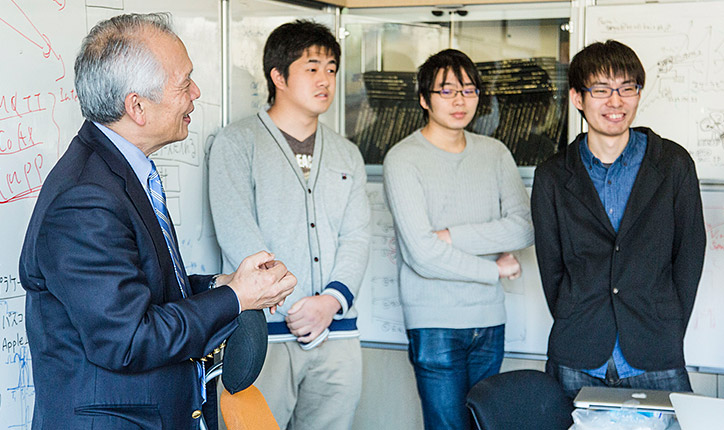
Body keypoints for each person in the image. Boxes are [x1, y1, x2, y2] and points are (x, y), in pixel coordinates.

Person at [18, 13, 296, 429]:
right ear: (137, 107)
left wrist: (221, 284)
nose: (196, 93)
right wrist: (235, 297)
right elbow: (129, 339)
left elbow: (143, 291)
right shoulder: (85, 200)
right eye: (184, 84)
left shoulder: (119, 172)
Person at [208, 20, 370, 430]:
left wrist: (328, 303)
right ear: (278, 76)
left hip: (337, 330)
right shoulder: (237, 142)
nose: (325, 80)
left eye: (331, 69)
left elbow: (356, 236)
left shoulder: (347, 153)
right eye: (312, 68)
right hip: (265, 332)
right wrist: (296, 305)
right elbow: (237, 233)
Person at [531, 40, 706, 399]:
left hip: (655, 352)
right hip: (577, 352)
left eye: (627, 88)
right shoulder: (552, 175)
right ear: (578, 98)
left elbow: (689, 255)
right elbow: (551, 267)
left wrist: (667, 325)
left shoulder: (672, 164)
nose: (616, 101)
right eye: (601, 90)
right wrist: (575, 315)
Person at [382, 49, 534, 430]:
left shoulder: (495, 153)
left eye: (469, 91)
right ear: (424, 99)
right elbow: (422, 254)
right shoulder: (402, 159)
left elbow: (523, 227)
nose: (460, 101)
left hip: (489, 320)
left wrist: (452, 236)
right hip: (434, 323)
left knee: (488, 425)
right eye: (447, 91)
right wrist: (494, 269)